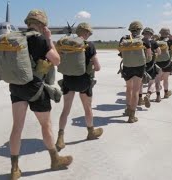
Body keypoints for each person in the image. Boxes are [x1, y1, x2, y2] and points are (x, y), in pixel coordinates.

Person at [9, 9, 72, 180]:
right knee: (46, 125)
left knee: (17, 127)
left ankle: (14, 169)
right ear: (42, 25)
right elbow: (57, 60)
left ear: (28, 22)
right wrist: (49, 39)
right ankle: (55, 159)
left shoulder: (16, 38)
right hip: (36, 89)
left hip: (16, 88)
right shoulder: (40, 40)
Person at [55, 22, 103, 152]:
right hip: (84, 82)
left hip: (67, 81)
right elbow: (98, 67)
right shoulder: (90, 45)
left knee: (65, 110)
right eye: (89, 33)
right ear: (86, 33)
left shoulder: (65, 44)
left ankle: (60, 137)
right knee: (87, 108)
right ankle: (90, 132)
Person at [118, 21, 152, 123]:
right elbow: (149, 56)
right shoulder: (144, 39)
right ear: (140, 29)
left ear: (130, 29)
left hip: (127, 66)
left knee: (129, 88)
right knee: (136, 91)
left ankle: (128, 109)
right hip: (139, 67)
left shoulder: (124, 38)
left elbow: (120, 52)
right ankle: (132, 116)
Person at [138, 27, 162, 105]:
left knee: (140, 83)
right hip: (151, 65)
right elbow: (159, 52)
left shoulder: (139, 41)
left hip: (140, 65)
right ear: (151, 34)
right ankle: (148, 95)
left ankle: (140, 98)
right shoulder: (154, 42)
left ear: (143, 34)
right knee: (152, 82)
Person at [155, 28, 172, 99]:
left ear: (160, 33)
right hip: (168, 62)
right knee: (166, 79)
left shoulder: (156, 41)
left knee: (157, 80)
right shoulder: (171, 41)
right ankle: (166, 93)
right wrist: (170, 35)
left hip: (158, 62)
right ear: (168, 33)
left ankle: (158, 96)